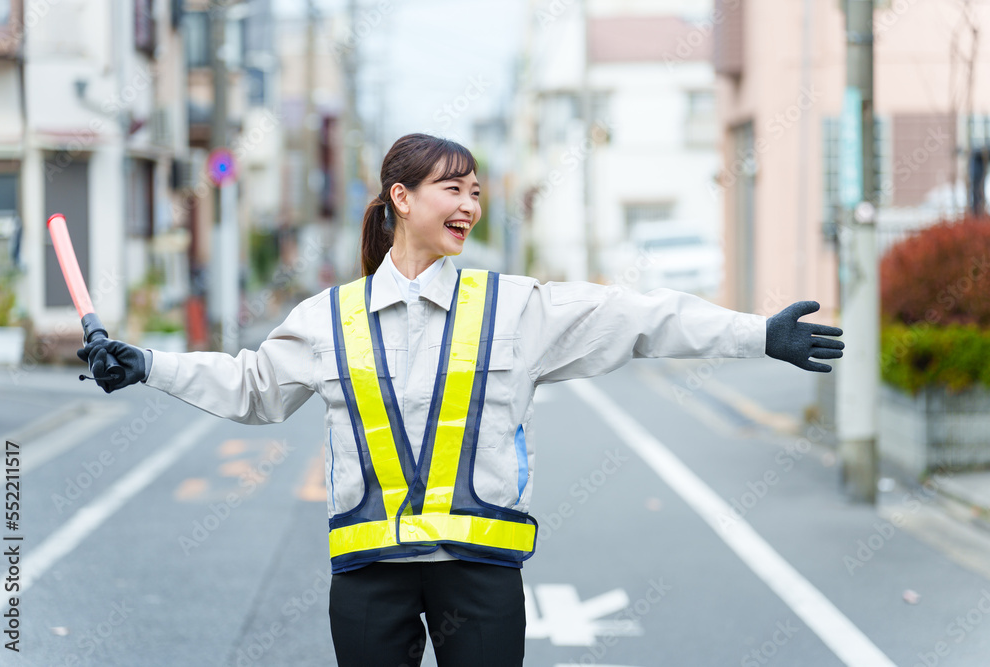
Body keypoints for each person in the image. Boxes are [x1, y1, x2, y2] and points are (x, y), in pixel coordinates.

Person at [78, 133, 844, 666]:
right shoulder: (327, 318)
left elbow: (636, 319)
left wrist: (755, 334)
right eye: (453, 187)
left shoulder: (516, 305)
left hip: (479, 574)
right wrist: (146, 363)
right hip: (367, 575)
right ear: (401, 197)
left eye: (477, 191)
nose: (470, 203)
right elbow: (251, 387)